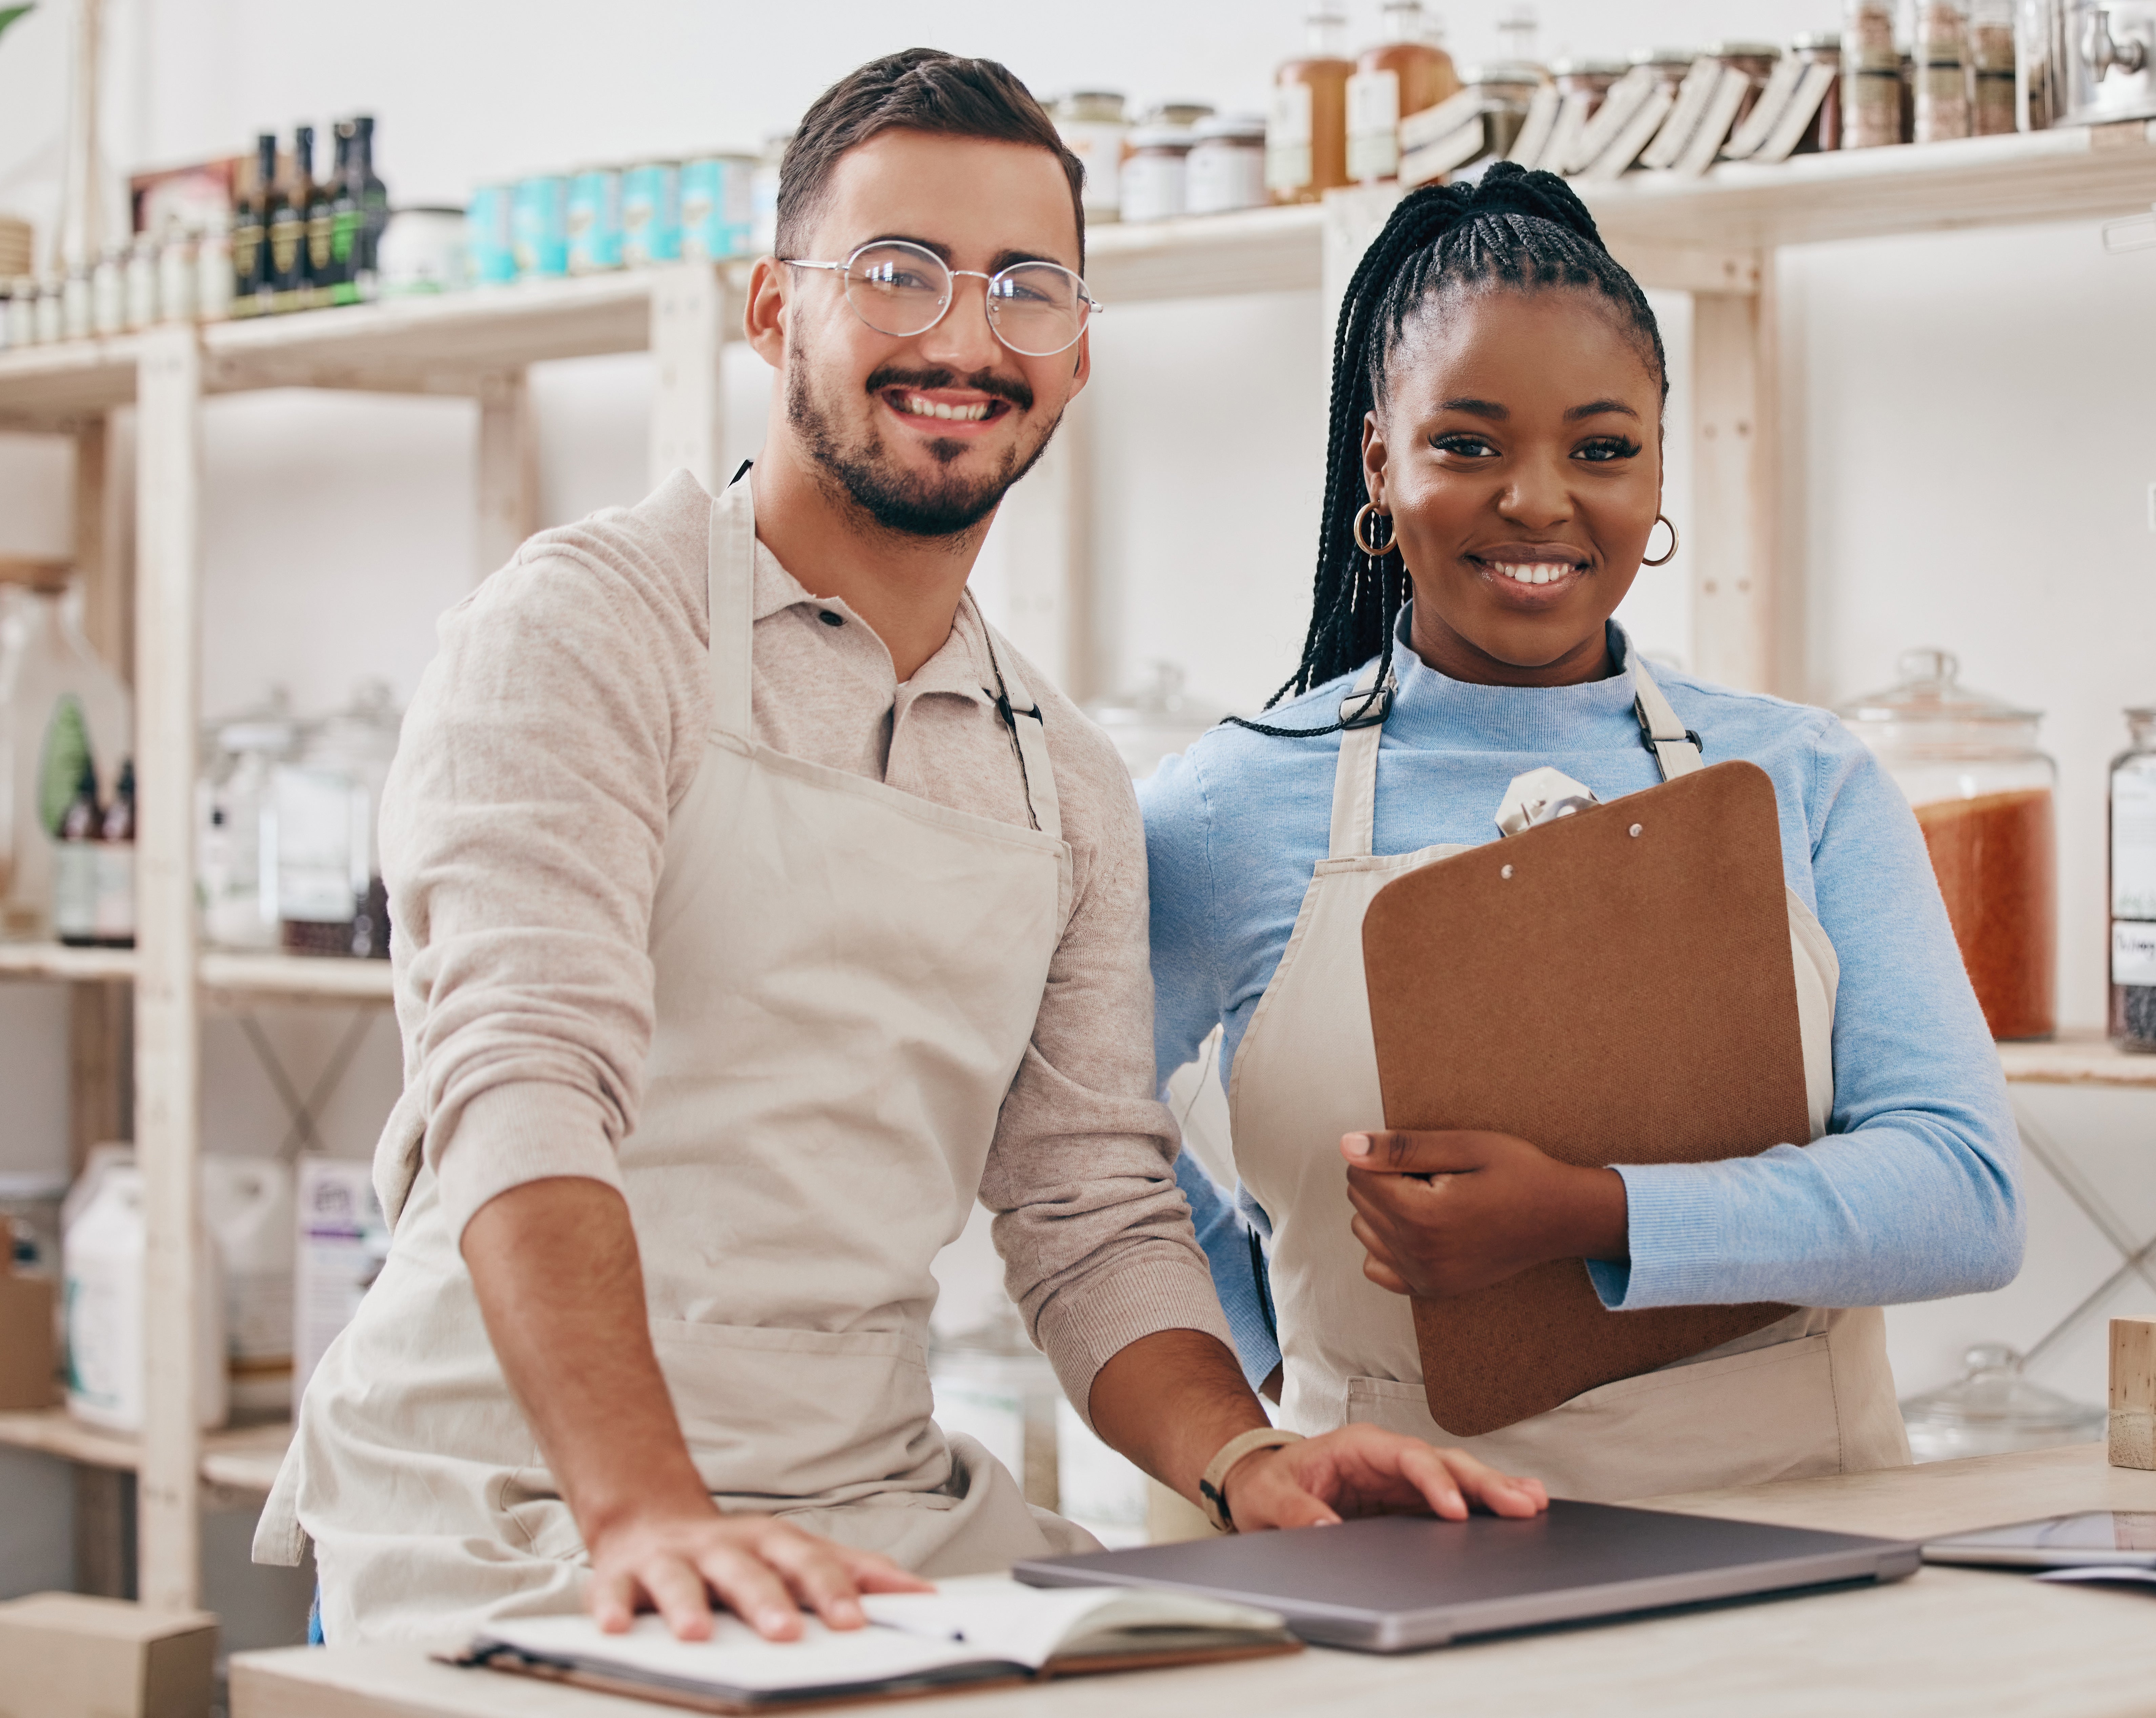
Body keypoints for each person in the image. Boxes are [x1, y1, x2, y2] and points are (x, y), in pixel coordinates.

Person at [253, 51, 1540, 1648]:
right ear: (770, 310)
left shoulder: (1061, 778)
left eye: (1025, 287)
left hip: (872, 1503)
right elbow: (522, 1081)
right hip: (522, 1498)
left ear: (1075, 357)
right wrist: (649, 1505)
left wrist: (1243, 1453)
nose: (962, 337)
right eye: (897, 273)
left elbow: (1088, 1209)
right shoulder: (586, 628)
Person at [1144, 165, 2025, 1501]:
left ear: (1661, 462)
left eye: (1601, 449)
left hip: (1811, 1557)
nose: (1539, 501)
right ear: (1380, 461)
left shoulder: (1807, 775)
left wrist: (1591, 1214)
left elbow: (1964, 1193)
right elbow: (1082, 1155)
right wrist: (1256, 1371)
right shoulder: (1228, 806)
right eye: (1469, 444)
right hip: (1401, 1559)